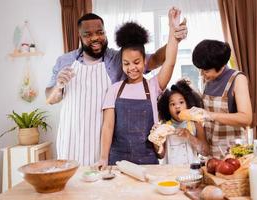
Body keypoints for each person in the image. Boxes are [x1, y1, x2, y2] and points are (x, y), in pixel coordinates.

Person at [45, 13, 188, 166]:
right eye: (88, 34)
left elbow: (160, 60)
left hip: (108, 147)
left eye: (100, 32)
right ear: (79, 36)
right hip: (73, 140)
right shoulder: (65, 61)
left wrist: (174, 37)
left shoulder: (116, 58)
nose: (95, 38)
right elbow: (49, 98)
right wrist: (59, 85)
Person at [96, 7, 181, 169]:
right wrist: (103, 158)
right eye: (126, 63)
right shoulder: (114, 89)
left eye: (136, 62)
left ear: (144, 62)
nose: (131, 68)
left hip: (148, 158)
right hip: (118, 160)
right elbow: (107, 126)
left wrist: (172, 30)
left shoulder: (153, 86)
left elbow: (169, 61)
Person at [191, 39, 252, 158]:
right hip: (212, 153)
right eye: (201, 70)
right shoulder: (208, 80)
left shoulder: (237, 79)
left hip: (233, 154)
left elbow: (246, 118)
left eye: (206, 70)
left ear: (221, 65)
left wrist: (210, 115)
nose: (202, 74)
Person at [156, 79, 209, 164]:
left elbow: (205, 152)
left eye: (181, 102)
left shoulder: (196, 123)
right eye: (172, 104)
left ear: (188, 103)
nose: (177, 106)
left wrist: (189, 136)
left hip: (192, 173)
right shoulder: (164, 126)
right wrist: (156, 139)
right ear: (167, 108)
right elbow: (161, 155)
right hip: (170, 173)